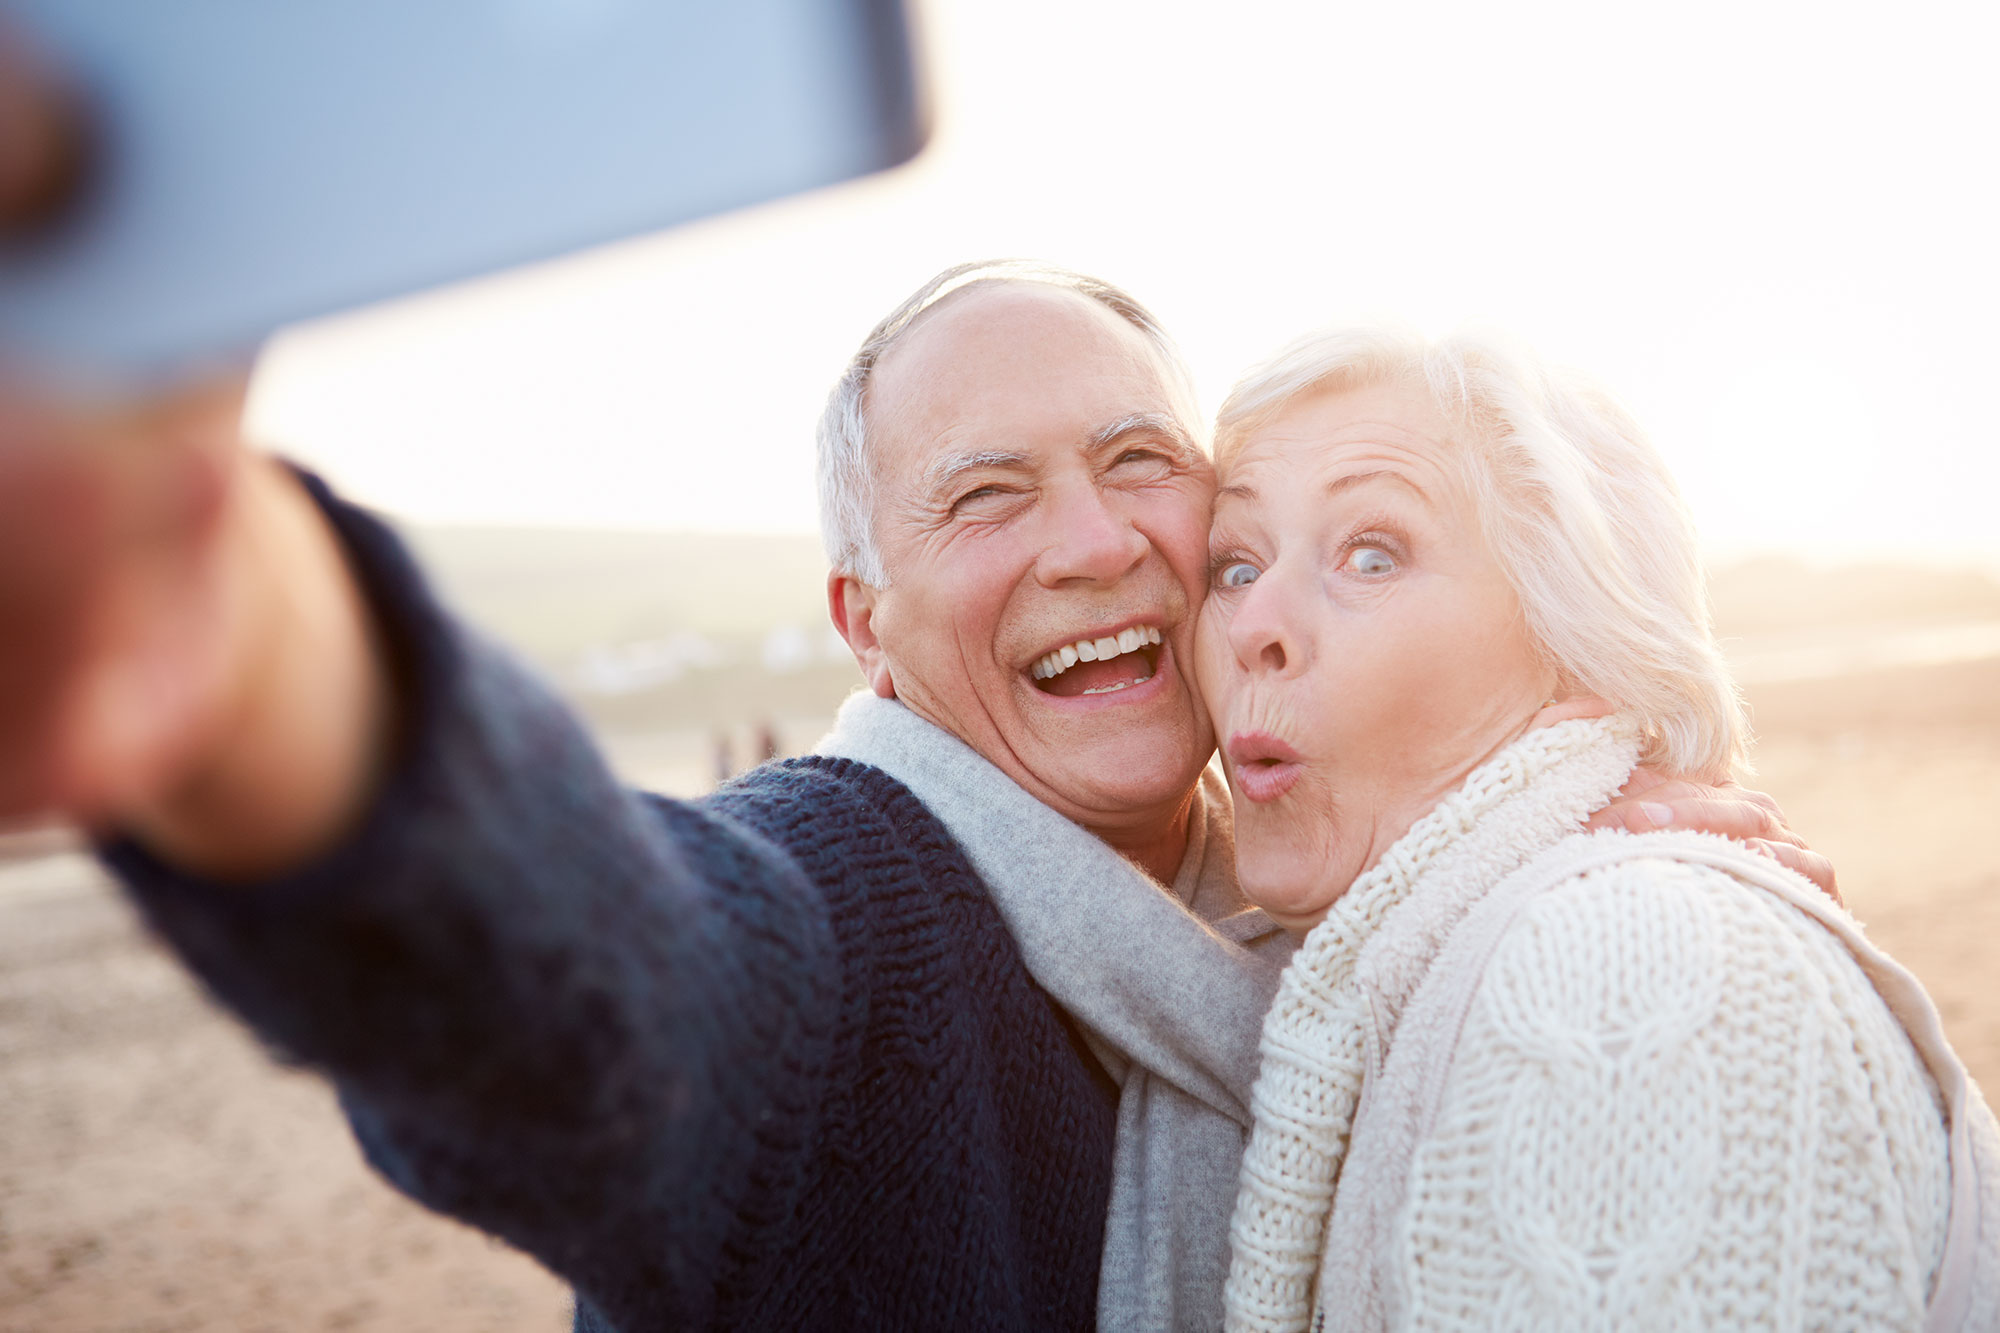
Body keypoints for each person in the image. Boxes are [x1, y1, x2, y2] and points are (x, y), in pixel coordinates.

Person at [0, 262, 1834, 1332]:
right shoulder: (846, 914)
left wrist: (1528, 843)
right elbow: (594, 975)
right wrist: (231, 642)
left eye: (1140, 463)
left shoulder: (1322, 927)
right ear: (864, 628)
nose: (1098, 538)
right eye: (987, 496)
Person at [1195, 323, 2000, 1331]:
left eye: (1370, 552)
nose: (1249, 622)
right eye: (1232, 563)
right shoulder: (1365, 982)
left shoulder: (1617, 960)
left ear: (1577, 640)